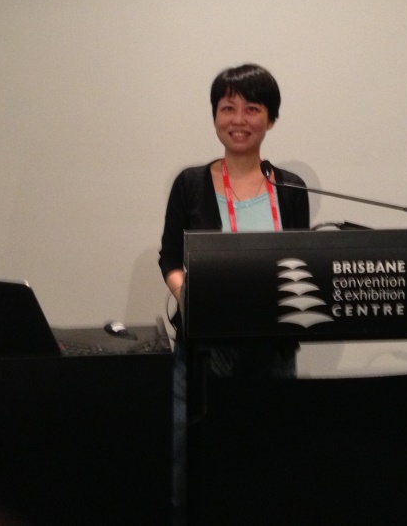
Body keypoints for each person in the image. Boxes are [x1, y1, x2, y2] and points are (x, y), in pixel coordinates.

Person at [158, 63, 310, 513]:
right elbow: (170, 259)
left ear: (271, 119)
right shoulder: (190, 184)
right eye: (228, 108)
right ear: (214, 116)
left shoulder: (290, 188)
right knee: (190, 457)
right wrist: (190, 296)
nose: (238, 120)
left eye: (252, 108)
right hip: (206, 348)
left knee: (267, 456)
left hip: (272, 349)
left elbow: (302, 263)